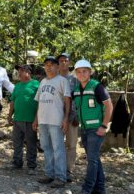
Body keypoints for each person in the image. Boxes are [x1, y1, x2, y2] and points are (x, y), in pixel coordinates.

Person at [73, 59, 113, 194]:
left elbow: (109, 105)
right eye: (78, 72)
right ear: (76, 74)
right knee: (94, 159)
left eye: (84, 71)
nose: (81, 74)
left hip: (96, 130)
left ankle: (87, 189)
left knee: (91, 160)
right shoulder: (77, 90)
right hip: (84, 130)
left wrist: (104, 125)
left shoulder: (97, 87)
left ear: (90, 72)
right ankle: (100, 189)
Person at [32, 56, 71, 188]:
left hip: (56, 120)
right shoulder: (42, 82)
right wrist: (36, 119)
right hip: (43, 120)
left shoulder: (62, 81)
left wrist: (66, 119)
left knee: (58, 149)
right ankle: (49, 174)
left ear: (57, 67)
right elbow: (39, 102)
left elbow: (67, 101)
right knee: (46, 148)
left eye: (52, 64)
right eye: (46, 64)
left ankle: (61, 177)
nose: (49, 67)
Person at [7, 64, 39, 175]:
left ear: (28, 72)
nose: (19, 73)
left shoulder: (36, 84)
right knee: (17, 142)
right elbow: (12, 101)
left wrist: (37, 119)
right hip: (17, 119)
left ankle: (31, 165)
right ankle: (17, 162)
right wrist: (10, 115)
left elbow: (40, 102)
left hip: (30, 119)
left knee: (31, 143)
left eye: (21, 70)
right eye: (18, 71)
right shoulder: (17, 86)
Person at [57, 53, 79, 182]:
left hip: (72, 117)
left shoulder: (74, 80)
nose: (63, 63)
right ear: (57, 63)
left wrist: (76, 116)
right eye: (61, 60)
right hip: (56, 116)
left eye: (66, 60)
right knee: (57, 144)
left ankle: (68, 170)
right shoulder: (53, 78)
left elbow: (77, 99)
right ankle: (57, 168)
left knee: (71, 144)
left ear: (69, 63)